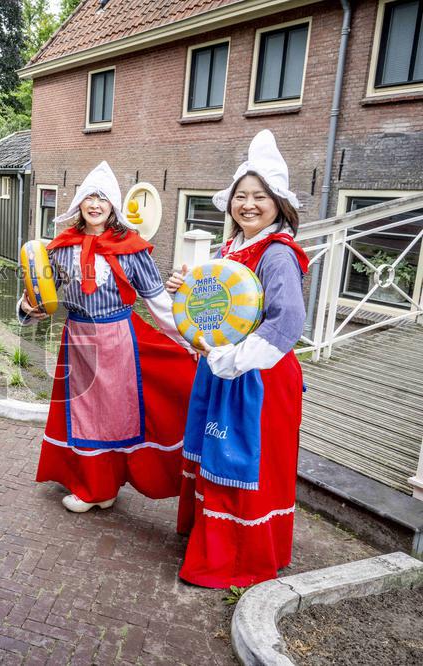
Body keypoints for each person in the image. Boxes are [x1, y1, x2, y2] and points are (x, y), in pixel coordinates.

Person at [167, 130, 309, 589]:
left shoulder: (277, 254)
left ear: (278, 203)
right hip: (225, 371)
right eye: (241, 197)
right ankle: (214, 541)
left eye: (259, 197)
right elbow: (214, 305)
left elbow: (287, 323)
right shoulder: (229, 250)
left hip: (257, 377)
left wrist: (231, 361)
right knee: (218, 452)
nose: (248, 205)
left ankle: (237, 558)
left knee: (244, 460)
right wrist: (183, 292)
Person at [19, 161, 197, 513]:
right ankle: (95, 487)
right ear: (79, 204)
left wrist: (190, 340)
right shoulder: (59, 248)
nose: (95, 204)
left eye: (102, 198)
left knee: (116, 416)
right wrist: (28, 307)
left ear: (113, 205)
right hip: (78, 341)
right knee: (86, 414)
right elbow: (40, 293)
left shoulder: (132, 248)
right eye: (89, 197)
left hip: (119, 341)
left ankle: (106, 486)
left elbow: (158, 301)